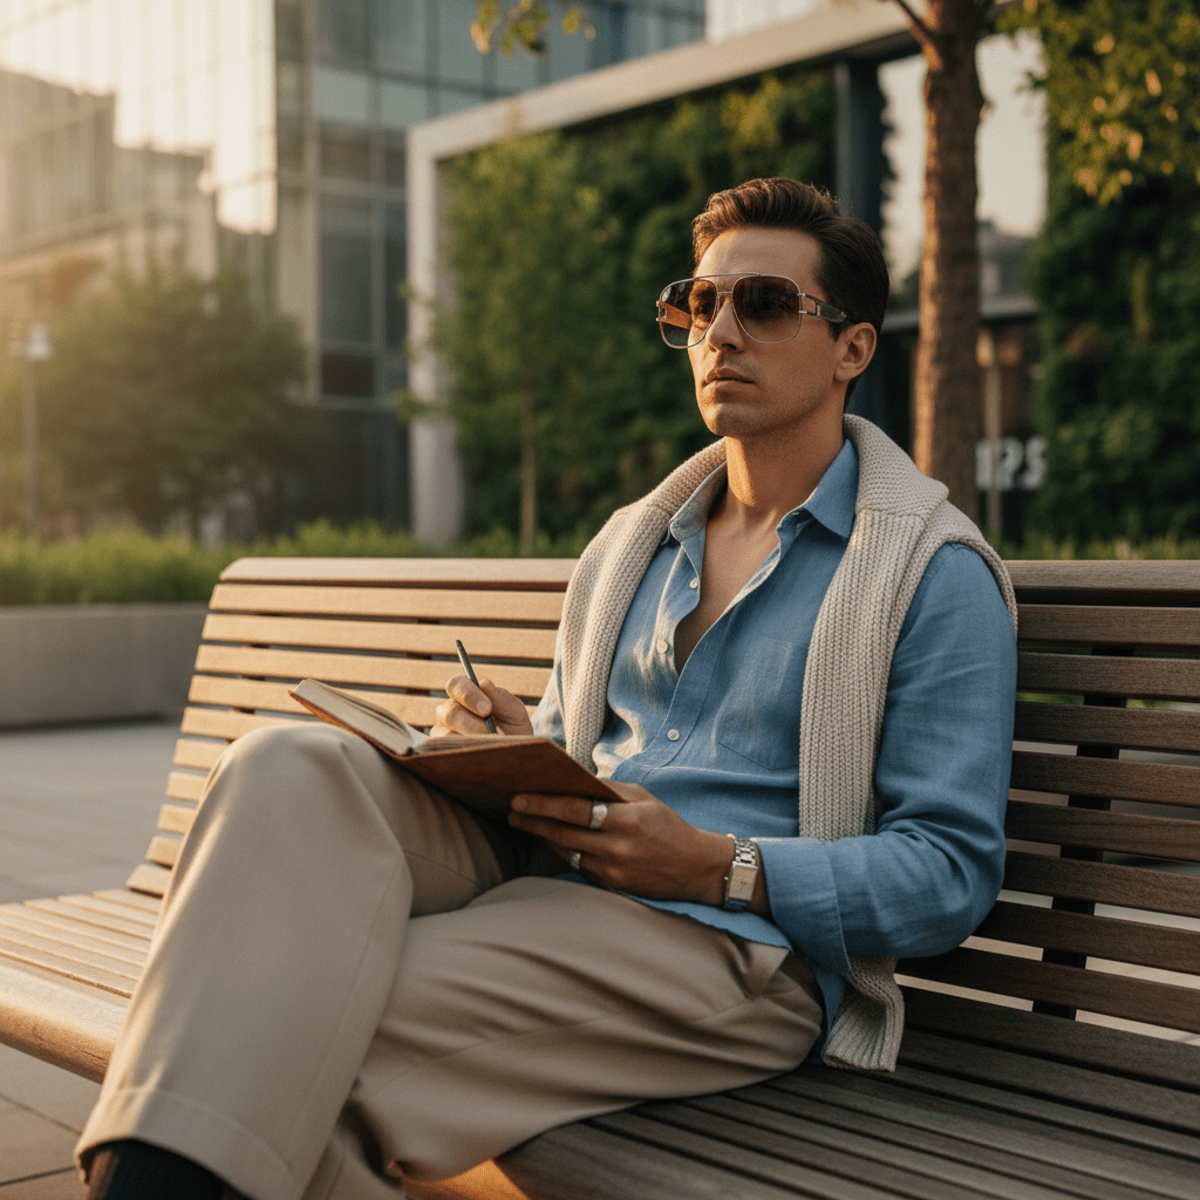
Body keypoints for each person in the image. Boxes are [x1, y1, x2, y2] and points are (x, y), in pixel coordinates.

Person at [76, 177, 1018, 1200]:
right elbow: (580, 759)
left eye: (766, 304)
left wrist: (721, 867)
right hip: (563, 880)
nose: (722, 332)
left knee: (287, 1022)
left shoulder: (930, 572)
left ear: (854, 349)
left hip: (733, 949)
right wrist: (506, 749)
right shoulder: (636, 544)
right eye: (701, 304)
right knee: (287, 759)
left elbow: (948, 874)